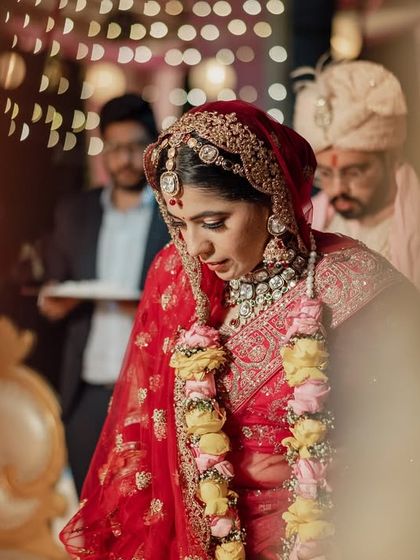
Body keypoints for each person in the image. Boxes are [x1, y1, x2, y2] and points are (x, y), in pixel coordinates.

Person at [60, 101, 420, 560]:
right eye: (181, 224)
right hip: (200, 541)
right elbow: (144, 432)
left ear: (272, 199)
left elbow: (404, 443)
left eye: (214, 223)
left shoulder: (356, 286)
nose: (197, 246)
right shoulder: (178, 277)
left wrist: (314, 467)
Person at [39, 93, 169, 494]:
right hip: (88, 390)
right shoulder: (76, 213)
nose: (124, 159)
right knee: (89, 503)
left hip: (152, 390)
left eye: (135, 147)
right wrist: (50, 302)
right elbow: (54, 286)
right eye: (114, 148)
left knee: (148, 509)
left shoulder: (176, 213)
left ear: (155, 146)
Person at [293, 59, 420, 289]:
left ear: (391, 158)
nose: (337, 188)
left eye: (354, 172)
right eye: (326, 173)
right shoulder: (308, 224)